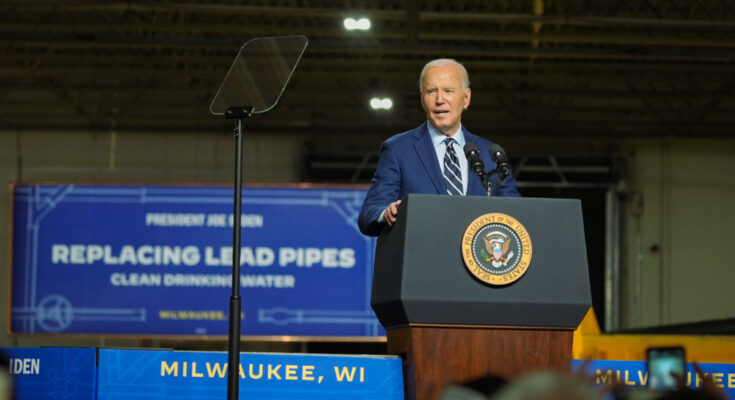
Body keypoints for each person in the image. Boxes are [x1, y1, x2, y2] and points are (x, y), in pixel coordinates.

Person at [358, 58, 521, 237]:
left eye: (448, 91)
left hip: (478, 260)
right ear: (422, 99)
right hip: (421, 258)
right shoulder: (398, 149)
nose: (439, 99)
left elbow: (518, 214)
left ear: (466, 98)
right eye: (431, 91)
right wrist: (386, 213)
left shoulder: (491, 155)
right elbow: (369, 213)